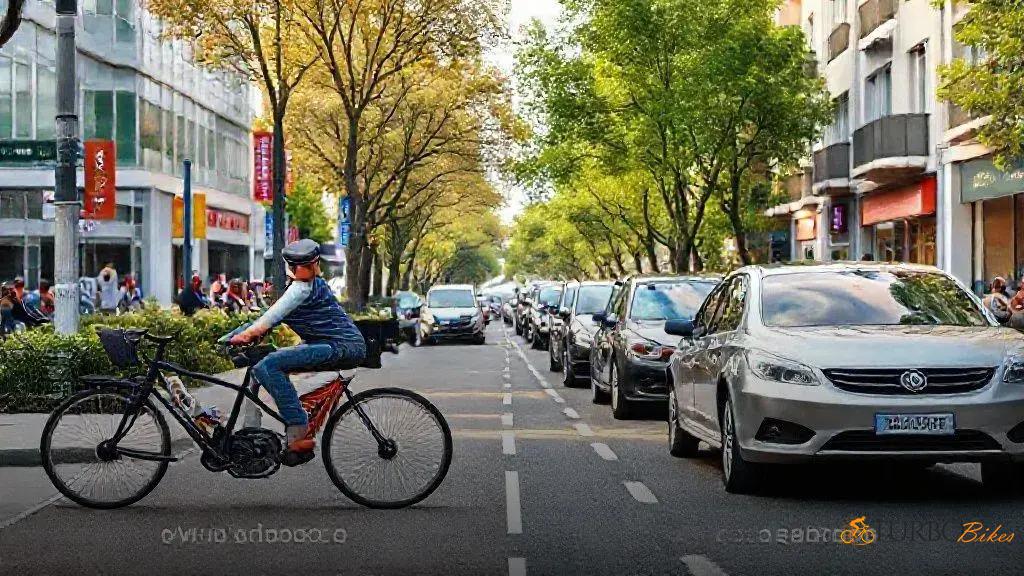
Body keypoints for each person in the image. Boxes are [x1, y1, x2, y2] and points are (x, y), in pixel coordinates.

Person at [229, 239, 366, 463]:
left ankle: (298, 430)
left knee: (269, 365)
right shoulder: (311, 285)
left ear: (291, 268)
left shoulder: (300, 289)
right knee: (259, 367)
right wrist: (247, 333)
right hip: (333, 345)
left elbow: (268, 319)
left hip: (340, 347)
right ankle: (250, 431)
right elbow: (269, 319)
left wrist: (241, 337)